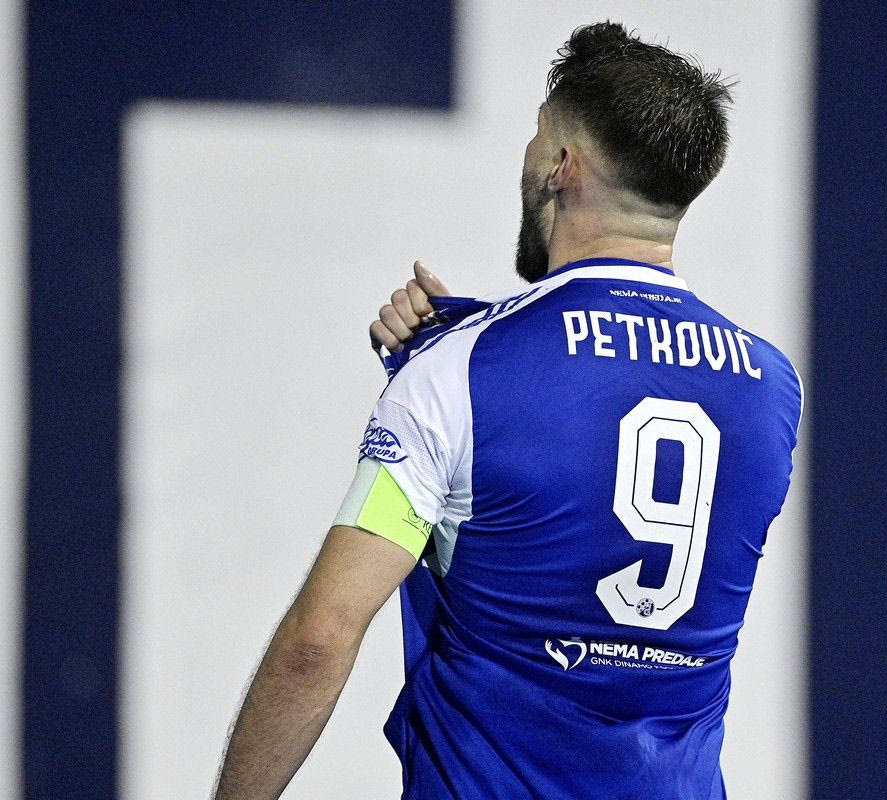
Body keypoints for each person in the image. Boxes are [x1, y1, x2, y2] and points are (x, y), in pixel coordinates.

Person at [214, 21, 801, 800]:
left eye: (538, 136)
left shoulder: (458, 374)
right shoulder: (770, 389)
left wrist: (445, 366)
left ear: (562, 164)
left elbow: (317, 644)